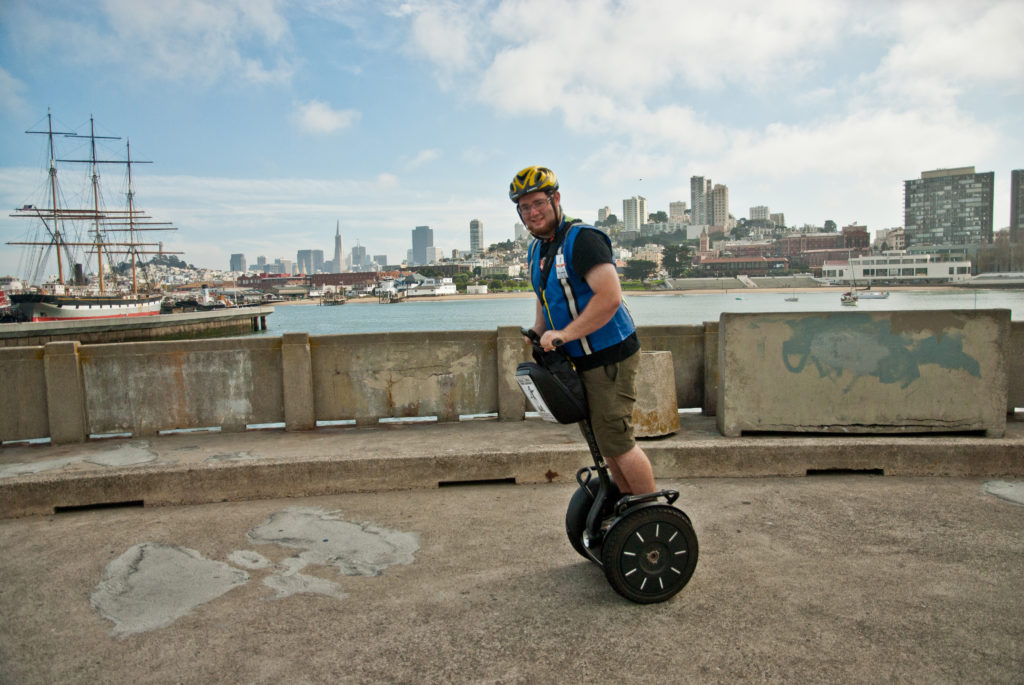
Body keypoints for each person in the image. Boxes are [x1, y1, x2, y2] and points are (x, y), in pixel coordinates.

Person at [511, 165, 656, 496]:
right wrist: (539, 328)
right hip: (580, 360)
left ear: (555, 199)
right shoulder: (538, 248)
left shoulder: (583, 240)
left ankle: (650, 515)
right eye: (524, 207)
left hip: (609, 357)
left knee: (618, 442)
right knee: (606, 442)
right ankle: (628, 505)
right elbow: (545, 292)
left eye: (538, 203)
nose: (532, 212)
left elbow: (609, 297)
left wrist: (564, 335)